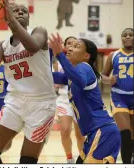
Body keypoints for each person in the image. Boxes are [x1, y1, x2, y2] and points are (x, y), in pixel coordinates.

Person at [0, 0, 56, 164]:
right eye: (15, 10)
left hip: (41, 104)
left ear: (28, 17)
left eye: (23, 11)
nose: (19, 12)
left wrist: (11, 19)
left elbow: (32, 47)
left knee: (27, 161)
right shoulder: (3, 46)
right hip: (14, 101)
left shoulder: (39, 31)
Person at [49, 33, 121, 164]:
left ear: (86, 56)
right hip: (95, 134)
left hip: (103, 132)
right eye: (69, 45)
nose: (70, 48)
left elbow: (80, 81)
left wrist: (60, 54)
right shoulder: (73, 73)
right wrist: (49, 52)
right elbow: (49, 76)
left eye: (76, 46)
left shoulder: (84, 67)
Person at [101, 28, 134, 164]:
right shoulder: (113, 55)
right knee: (125, 132)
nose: (127, 37)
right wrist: (108, 80)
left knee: (132, 134)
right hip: (118, 97)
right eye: (124, 35)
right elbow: (103, 75)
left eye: (131, 35)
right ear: (121, 38)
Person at [54, 36, 85, 163]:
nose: (71, 45)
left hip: (78, 100)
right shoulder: (58, 62)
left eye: (74, 44)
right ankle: (69, 158)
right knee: (65, 130)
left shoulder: (81, 63)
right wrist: (55, 84)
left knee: (80, 135)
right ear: (65, 46)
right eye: (68, 43)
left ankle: (82, 159)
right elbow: (55, 82)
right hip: (63, 99)